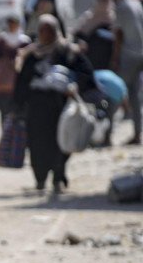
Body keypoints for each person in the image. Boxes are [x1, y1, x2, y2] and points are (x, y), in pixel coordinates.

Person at [14, 15, 99, 193]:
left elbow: (87, 75)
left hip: (60, 107)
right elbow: (22, 82)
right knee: (37, 144)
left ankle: (58, 177)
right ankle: (40, 178)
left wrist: (73, 85)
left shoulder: (68, 51)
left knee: (62, 142)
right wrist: (16, 106)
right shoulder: (32, 54)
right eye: (41, 30)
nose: (44, 34)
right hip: (37, 108)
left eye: (48, 30)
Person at [112, 0, 143, 145]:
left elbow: (118, 34)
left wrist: (115, 59)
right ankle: (137, 133)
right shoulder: (136, 3)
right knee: (135, 95)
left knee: (115, 91)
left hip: (129, 56)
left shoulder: (121, 6)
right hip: (140, 53)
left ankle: (107, 133)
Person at [0, 13, 31, 119]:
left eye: (14, 23)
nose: (11, 25)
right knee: (4, 111)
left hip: (19, 83)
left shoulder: (25, 42)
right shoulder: (1, 40)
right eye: (10, 23)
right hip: (3, 84)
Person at [71, 0, 116, 73]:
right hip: (91, 56)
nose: (102, 3)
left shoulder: (114, 19)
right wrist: (80, 42)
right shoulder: (88, 18)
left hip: (108, 57)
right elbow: (76, 34)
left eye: (105, 0)